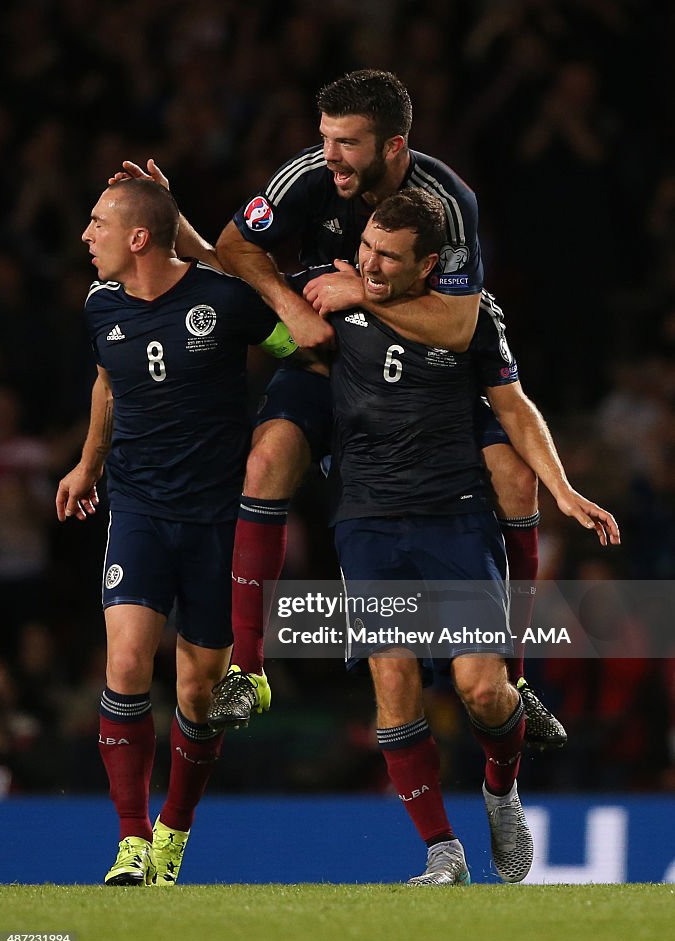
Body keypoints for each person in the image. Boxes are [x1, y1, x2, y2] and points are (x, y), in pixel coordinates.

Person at [112, 70, 559, 743]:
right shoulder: (306, 177)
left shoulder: (447, 201)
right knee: (265, 462)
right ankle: (251, 671)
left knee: (515, 478)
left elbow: (458, 327)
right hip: (331, 359)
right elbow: (235, 249)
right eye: (325, 138)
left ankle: (515, 674)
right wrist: (291, 302)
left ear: (393, 146)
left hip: (429, 377)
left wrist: (361, 295)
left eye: (347, 142)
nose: (330, 156)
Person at [321, 188, 618, 884]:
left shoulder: (471, 320)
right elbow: (247, 287)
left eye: (388, 256)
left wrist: (562, 486)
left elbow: (512, 406)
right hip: (366, 521)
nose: (369, 263)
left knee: (482, 691)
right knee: (393, 685)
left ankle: (500, 787)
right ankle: (441, 852)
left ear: (428, 266)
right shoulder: (327, 296)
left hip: (454, 517)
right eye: (366, 247)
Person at [55, 178, 298, 886]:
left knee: (198, 694)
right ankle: (131, 841)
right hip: (139, 508)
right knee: (127, 663)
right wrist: (87, 462)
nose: (85, 235)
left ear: (139, 238)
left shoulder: (222, 300)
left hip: (220, 520)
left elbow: (301, 347)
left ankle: (174, 831)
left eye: (98, 221)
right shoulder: (100, 305)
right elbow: (108, 383)